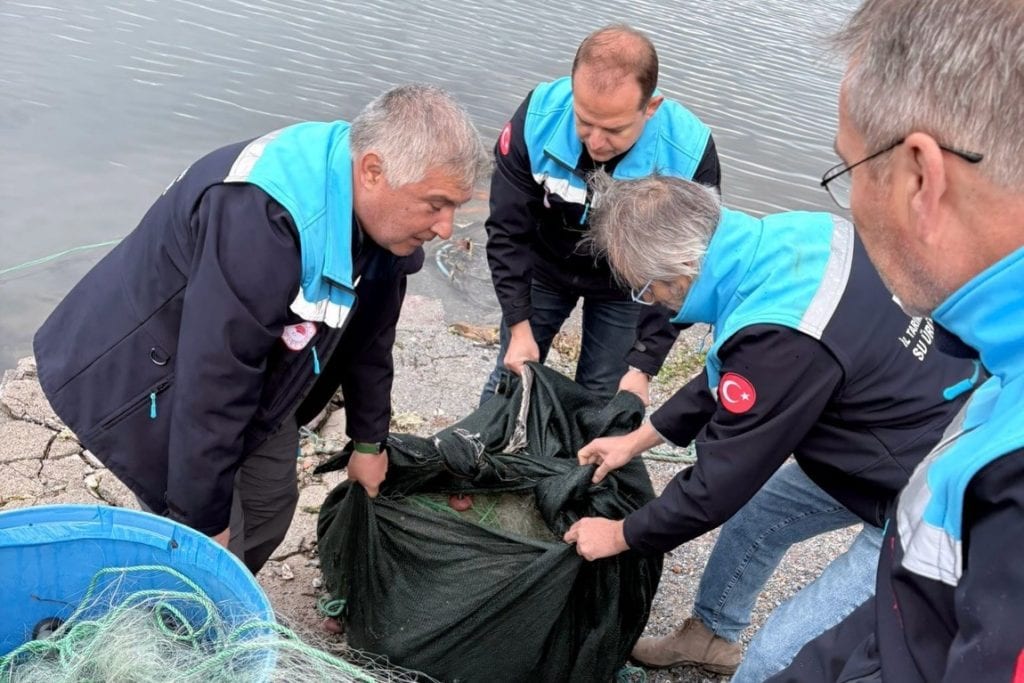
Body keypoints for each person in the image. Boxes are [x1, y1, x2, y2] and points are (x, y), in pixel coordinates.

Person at [33, 85, 490, 574]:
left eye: (455, 208)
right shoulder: (258, 218)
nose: (447, 227)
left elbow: (371, 341)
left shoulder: (387, 225)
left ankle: (222, 597)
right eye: (437, 204)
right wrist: (204, 524)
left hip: (260, 365)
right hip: (150, 371)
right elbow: (213, 382)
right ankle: (179, 618)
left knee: (269, 510)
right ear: (374, 171)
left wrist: (368, 442)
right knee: (203, 541)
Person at [561, 173, 979, 680]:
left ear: (685, 270)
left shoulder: (782, 338)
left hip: (931, 493)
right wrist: (638, 439)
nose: (651, 303)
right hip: (894, 429)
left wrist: (622, 534)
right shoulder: (782, 240)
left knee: (778, 657)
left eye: (646, 289)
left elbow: (720, 482)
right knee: (759, 520)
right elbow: (731, 374)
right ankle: (710, 637)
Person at [772, 1, 1024, 681]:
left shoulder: (1014, 472)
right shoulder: (1002, 367)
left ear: (920, 177)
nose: (849, 200)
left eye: (847, 169)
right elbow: (916, 620)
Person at [481, 24, 721, 405]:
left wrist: (644, 364)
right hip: (544, 264)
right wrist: (518, 323)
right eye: (584, 121)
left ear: (650, 107)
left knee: (600, 396)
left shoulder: (689, 155)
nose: (595, 142)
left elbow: (683, 271)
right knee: (510, 378)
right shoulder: (537, 118)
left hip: (628, 287)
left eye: (613, 129)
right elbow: (507, 230)